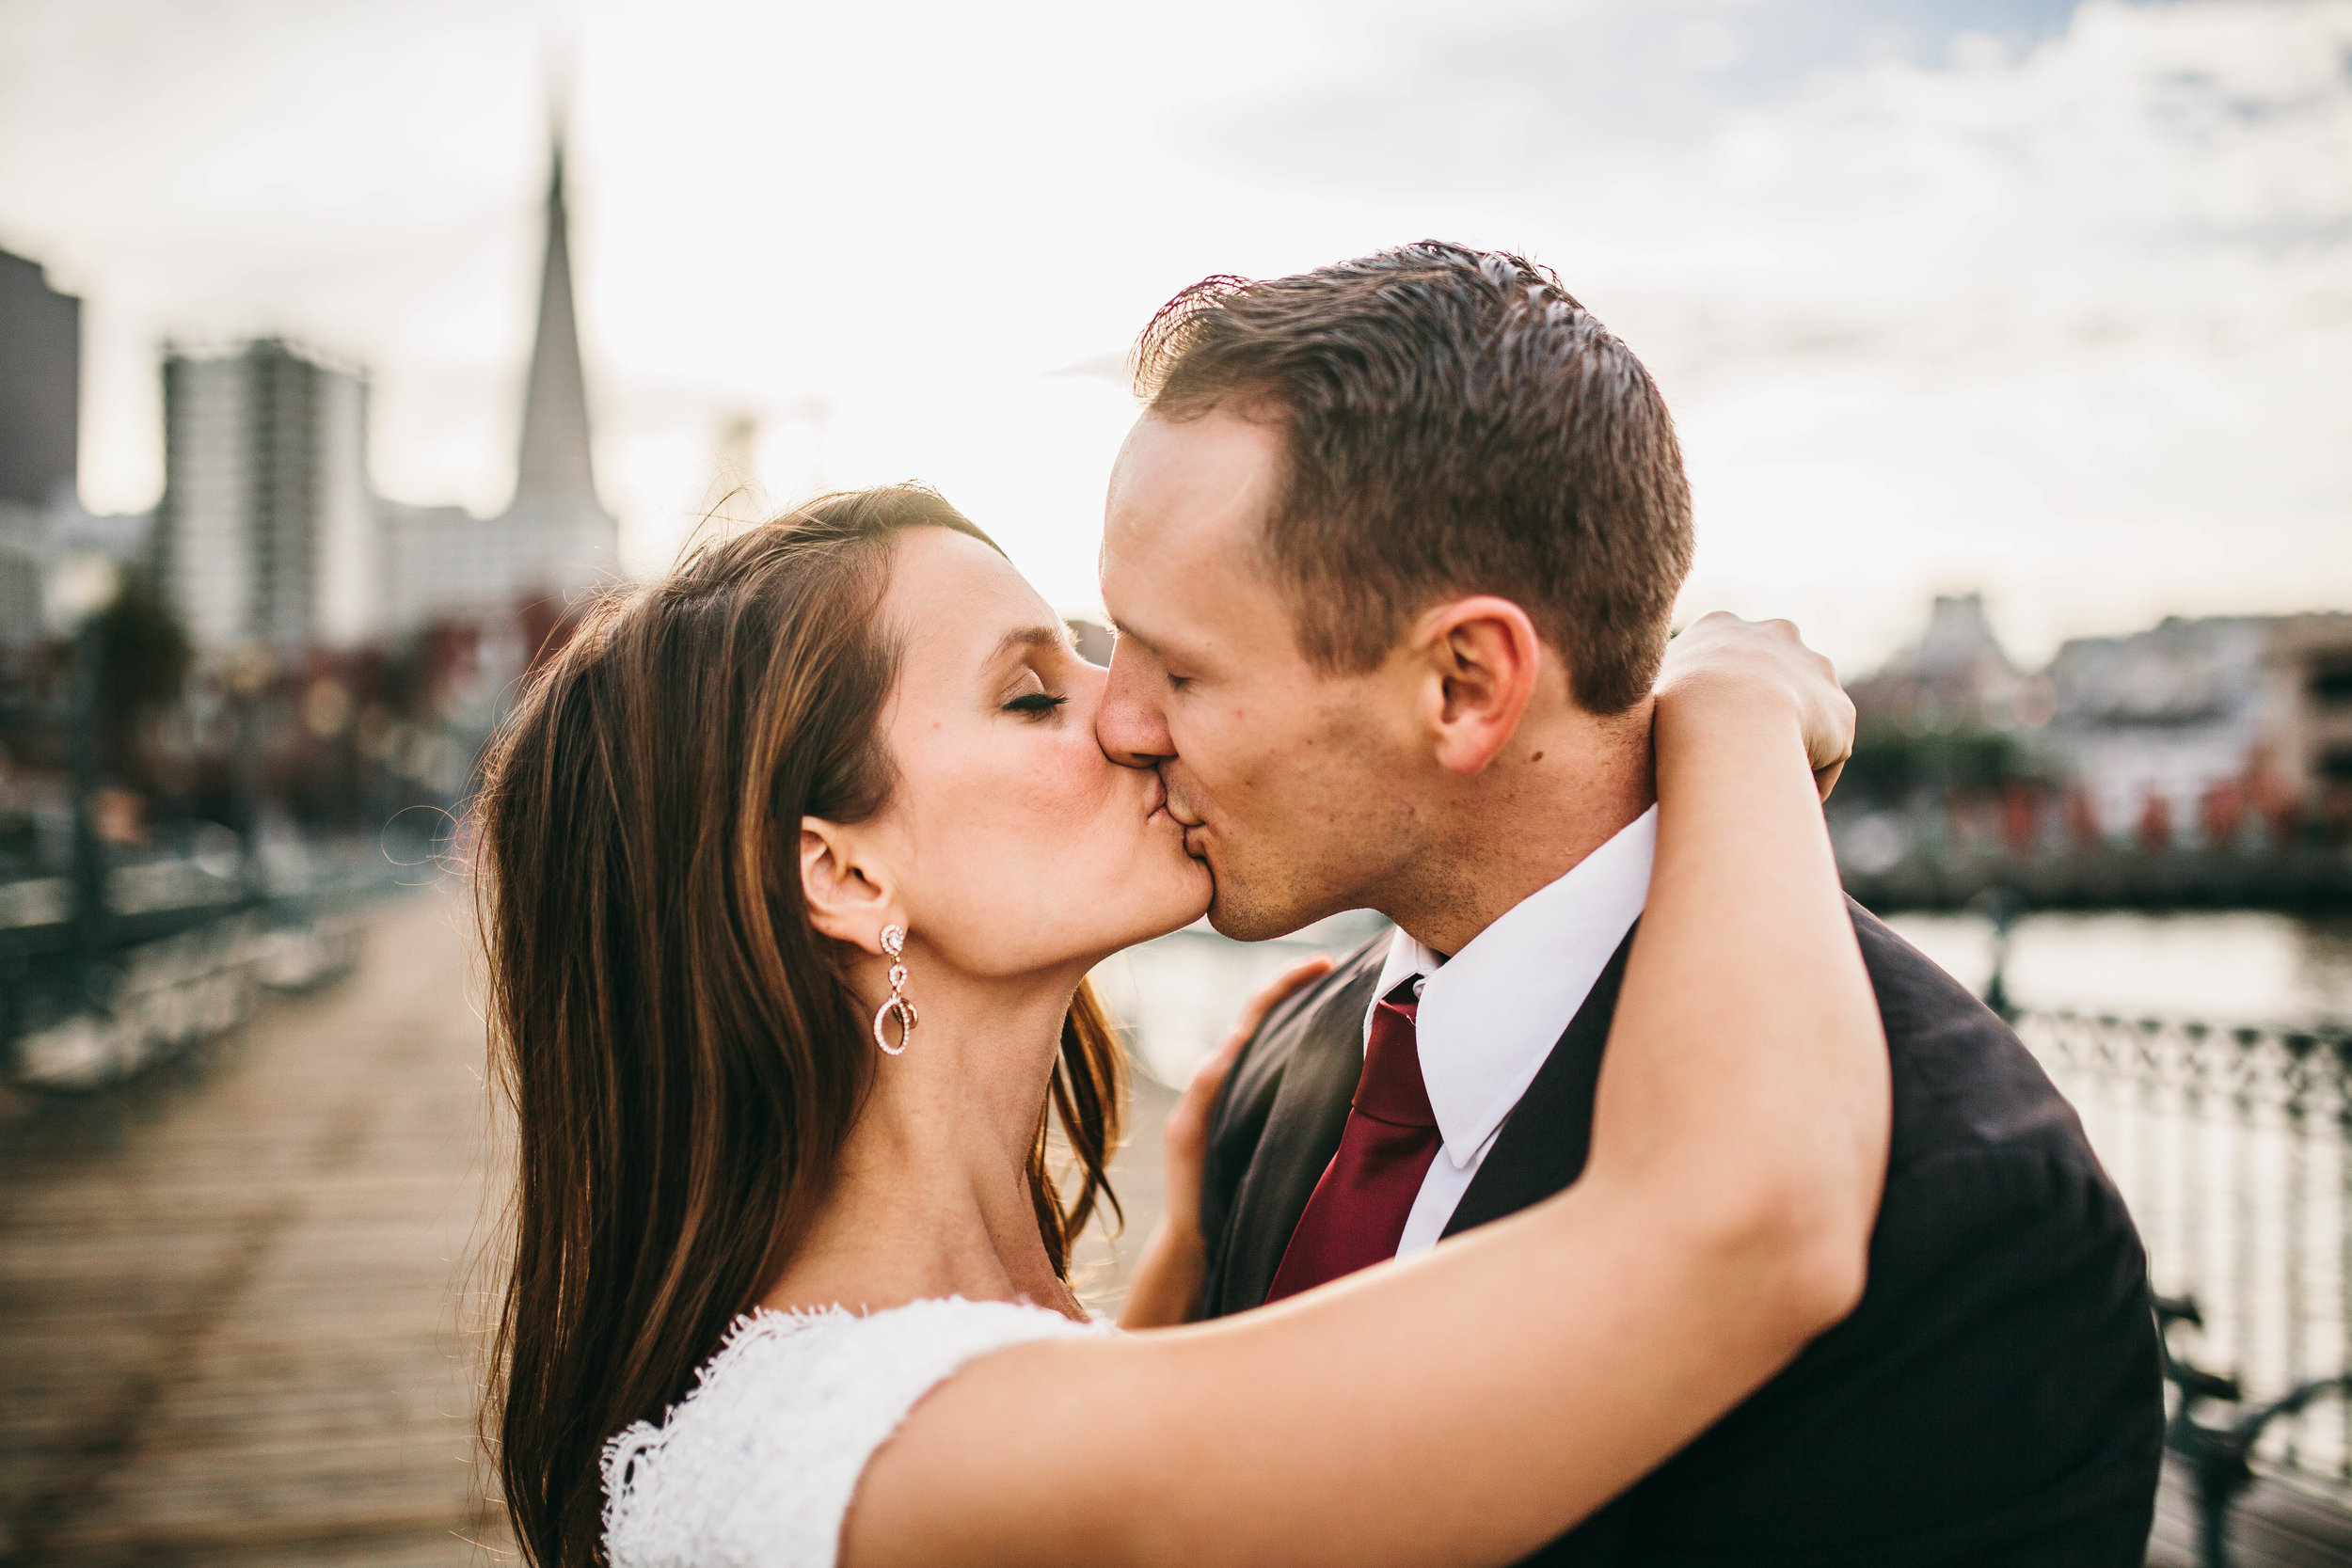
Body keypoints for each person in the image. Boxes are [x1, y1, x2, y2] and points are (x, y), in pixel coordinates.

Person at [474, 483, 1886, 1568]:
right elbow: (1751, 1233)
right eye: (1036, 692)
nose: (1139, 717)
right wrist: (1736, 714)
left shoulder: (905, 1386)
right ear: (845, 873)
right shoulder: (896, 1454)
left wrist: (1189, 1259)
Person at [1095, 243, 2167, 1566]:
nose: (1115, 719)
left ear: (1466, 685)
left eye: (1182, 671)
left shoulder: (1966, 1215)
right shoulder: (1281, 1068)